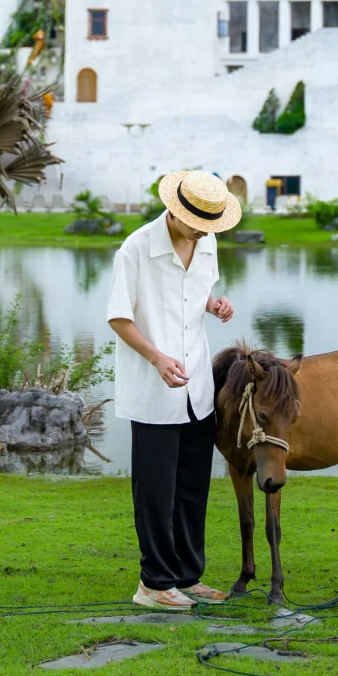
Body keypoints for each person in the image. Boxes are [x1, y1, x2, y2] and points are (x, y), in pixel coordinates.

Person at [106, 169, 241, 609]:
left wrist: (213, 304)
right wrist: (156, 358)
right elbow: (119, 318)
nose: (204, 233)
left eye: (210, 226)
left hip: (196, 385)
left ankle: (187, 574)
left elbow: (196, 292)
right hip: (153, 385)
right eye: (197, 225)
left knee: (191, 487)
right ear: (174, 211)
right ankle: (154, 584)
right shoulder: (136, 249)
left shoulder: (207, 241)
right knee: (156, 492)